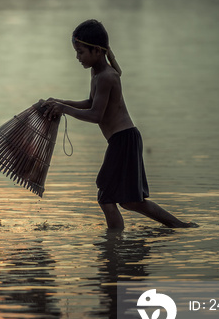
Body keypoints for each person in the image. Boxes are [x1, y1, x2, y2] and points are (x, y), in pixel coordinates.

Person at [42, 19, 196, 229]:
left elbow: (96, 115)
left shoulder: (107, 77)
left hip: (123, 140)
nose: (77, 57)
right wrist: (59, 102)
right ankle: (179, 227)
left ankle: (114, 246)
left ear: (96, 50)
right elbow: (90, 102)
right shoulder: (96, 73)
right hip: (123, 140)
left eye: (80, 52)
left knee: (107, 197)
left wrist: (65, 109)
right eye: (77, 52)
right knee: (130, 201)